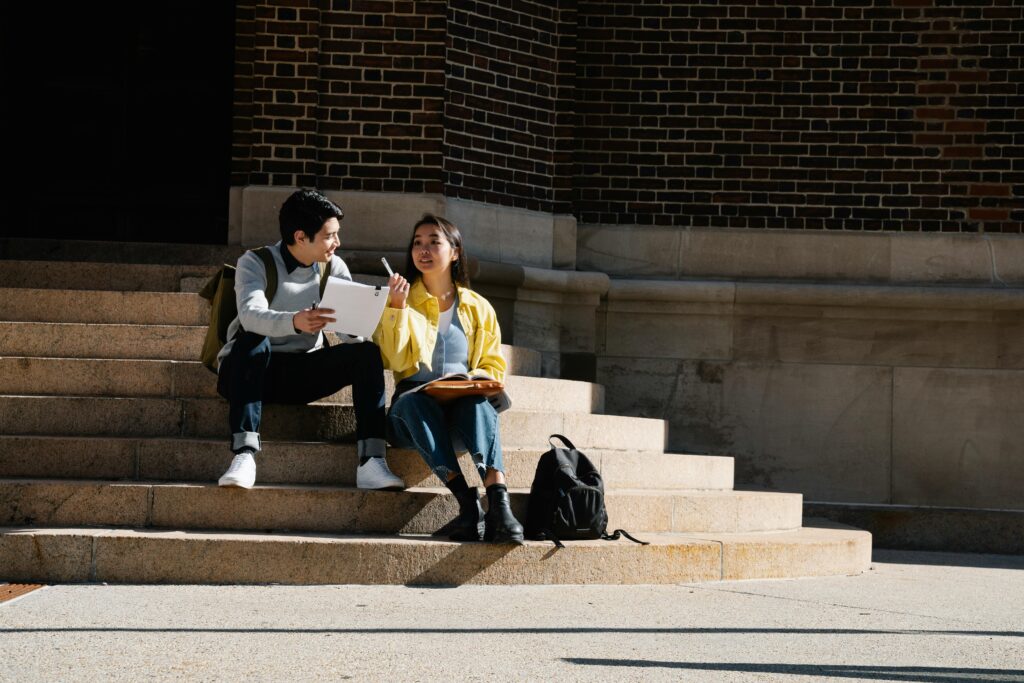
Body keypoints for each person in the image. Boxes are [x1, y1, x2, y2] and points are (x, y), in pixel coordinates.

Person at [215, 188, 404, 491]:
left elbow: (349, 334)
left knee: (366, 353)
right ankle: (244, 454)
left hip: (301, 373)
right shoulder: (255, 262)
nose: (337, 243)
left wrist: (378, 310)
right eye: (330, 236)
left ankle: (371, 461)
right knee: (253, 339)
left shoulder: (334, 268)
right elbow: (250, 315)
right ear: (301, 236)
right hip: (248, 373)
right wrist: (294, 321)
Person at [374, 214, 524, 543]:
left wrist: (478, 380)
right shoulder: (402, 300)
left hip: (459, 411)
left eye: (433, 242)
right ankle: (467, 505)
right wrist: (396, 309)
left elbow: (492, 364)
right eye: (417, 243)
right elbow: (394, 359)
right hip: (411, 418)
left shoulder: (477, 307)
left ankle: (499, 505)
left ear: (455, 252)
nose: (423, 250)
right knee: (414, 401)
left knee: (477, 403)